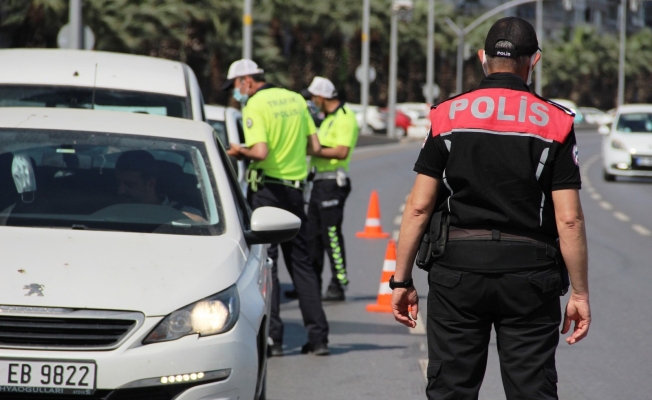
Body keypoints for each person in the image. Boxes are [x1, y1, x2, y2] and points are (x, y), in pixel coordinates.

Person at [390, 17, 591, 399]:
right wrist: (579, 294)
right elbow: (569, 218)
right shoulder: (555, 122)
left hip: (457, 272)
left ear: (483, 58)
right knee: (532, 390)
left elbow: (418, 207)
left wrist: (402, 281)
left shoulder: (447, 115)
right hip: (531, 276)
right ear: (534, 60)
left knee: (451, 390)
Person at [223, 59, 330, 356]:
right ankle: (319, 338)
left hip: (268, 191)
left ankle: (274, 339)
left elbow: (260, 151)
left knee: (268, 266)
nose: (236, 93)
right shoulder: (296, 99)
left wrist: (237, 151)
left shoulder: (255, 105)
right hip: (296, 192)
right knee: (303, 265)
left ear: (246, 81)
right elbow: (315, 148)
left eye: (235, 86)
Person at [305, 76, 358, 301]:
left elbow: (341, 151)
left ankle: (338, 284)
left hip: (332, 184)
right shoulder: (327, 119)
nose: (312, 101)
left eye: (313, 97)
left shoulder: (345, 118)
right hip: (318, 183)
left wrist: (311, 151)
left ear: (322, 97)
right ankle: (311, 284)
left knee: (331, 235)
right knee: (312, 236)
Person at [115, 150, 204, 221]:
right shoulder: (108, 208)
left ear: (150, 183)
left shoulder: (186, 214)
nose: (120, 191)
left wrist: (183, 217)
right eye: (117, 183)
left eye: (129, 185)